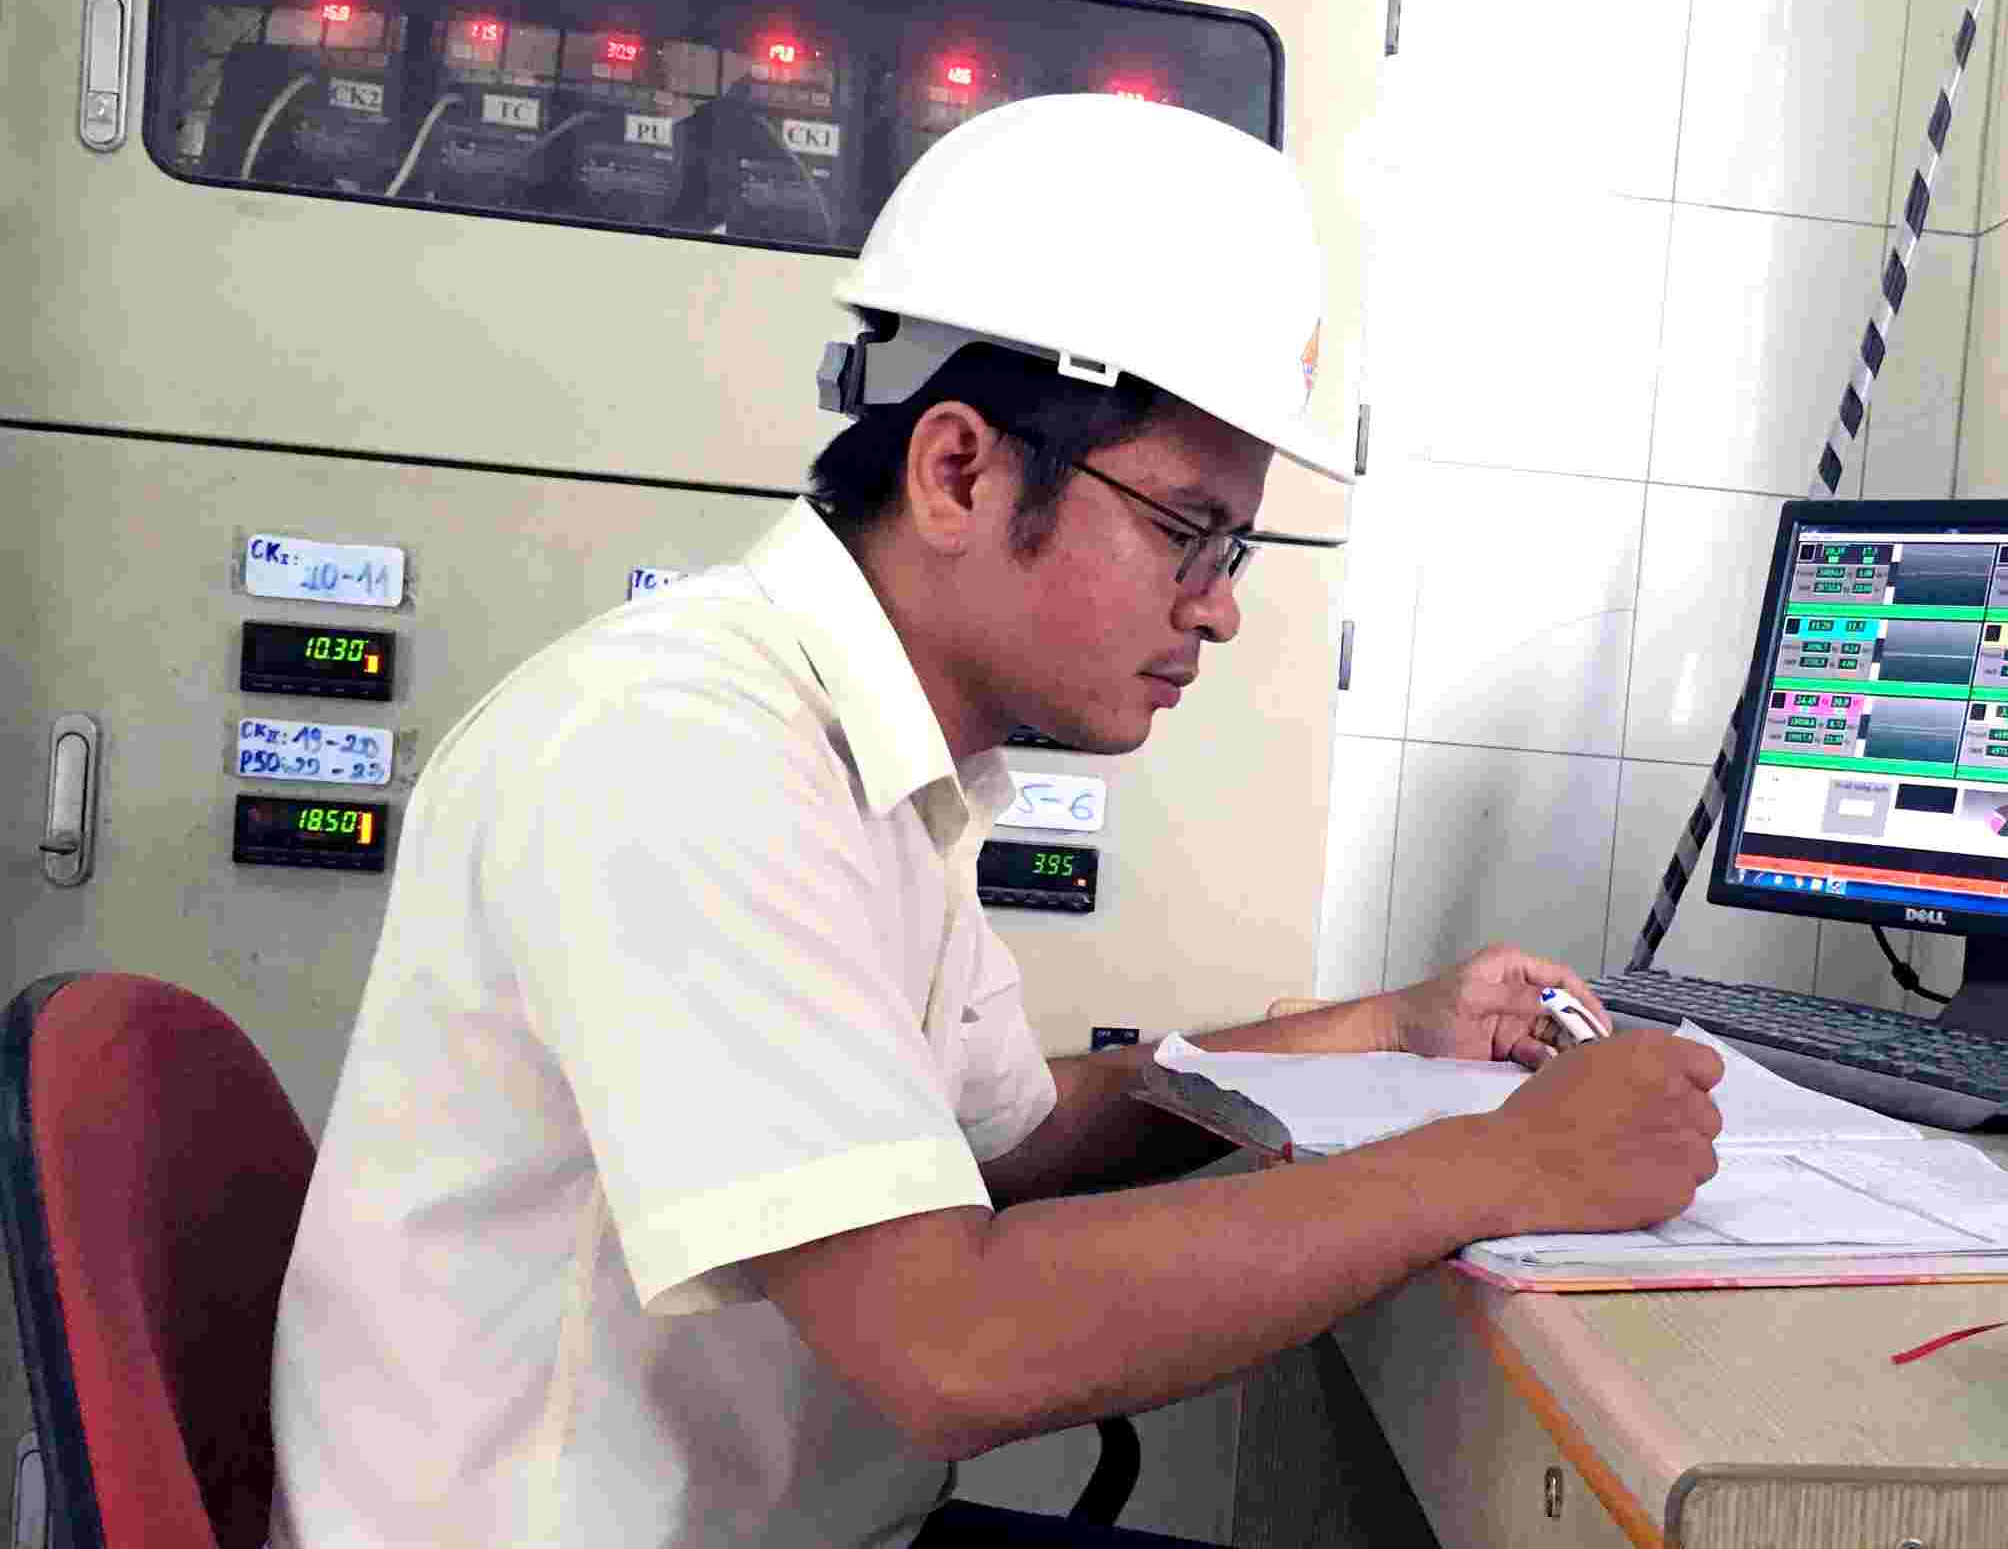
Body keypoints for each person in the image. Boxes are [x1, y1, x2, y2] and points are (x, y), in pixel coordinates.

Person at [267, 94, 1724, 1549]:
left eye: (1234, 549)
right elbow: (953, 1346)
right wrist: (1517, 1162)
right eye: (1183, 532)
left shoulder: (868, 762)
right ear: (958, 469)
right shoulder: (674, 755)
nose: (1218, 606)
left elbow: (998, 1151)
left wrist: (1385, 1030)